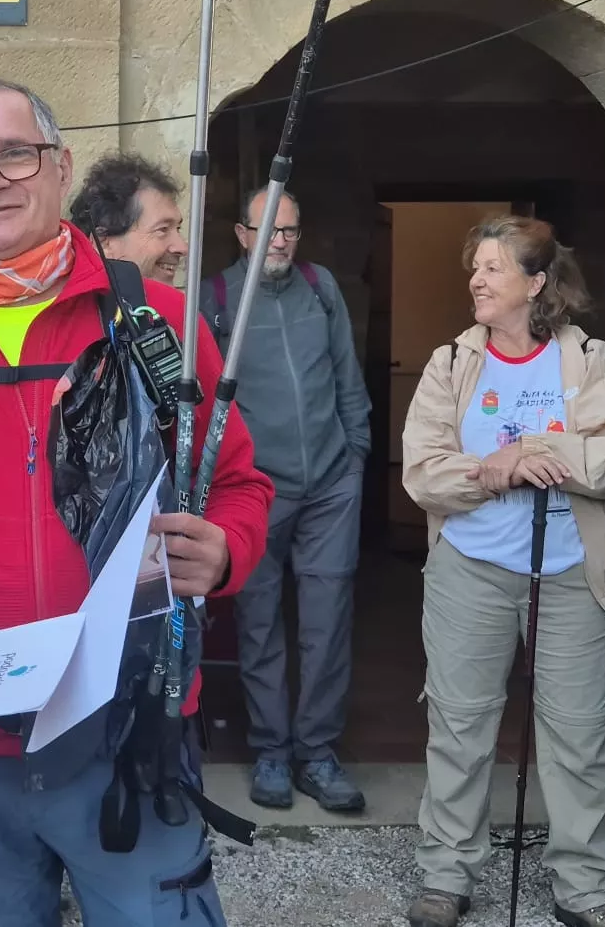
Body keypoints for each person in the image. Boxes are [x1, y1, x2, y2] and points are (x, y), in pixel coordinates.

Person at [0, 79, 273, 925]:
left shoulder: (161, 322)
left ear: (59, 165)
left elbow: (240, 483)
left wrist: (224, 549)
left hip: (130, 726)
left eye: (14, 154)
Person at [400, 216, 605, 927]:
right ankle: (446, 875)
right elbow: (424, 471)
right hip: (471, 572)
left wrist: (531, 448)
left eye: (493, 269)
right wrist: (498, 469)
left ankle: (585, 886)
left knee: (580, 730)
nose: (476, 281)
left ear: (536, 284)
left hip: (573, 572)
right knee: (461, 724)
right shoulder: (452, 363)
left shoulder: (594, 361)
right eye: (473, 268)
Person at [197, 186, 372, 812]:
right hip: (257, 491)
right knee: (260, 621)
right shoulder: (215, 299)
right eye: (268, 229)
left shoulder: (322, 289)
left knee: (327, 624)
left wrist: (355, 454)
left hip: (330, 484)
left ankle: (317, 754)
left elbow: (348, 377)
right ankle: (271, 751)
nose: (280, 240)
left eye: (290, 231)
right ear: (243, 234)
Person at [65, 149, 189, 284]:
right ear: (103, 243)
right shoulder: (72, 304)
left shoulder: (177, 304)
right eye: (163, 229)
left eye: (178, 228)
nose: (182, 247)